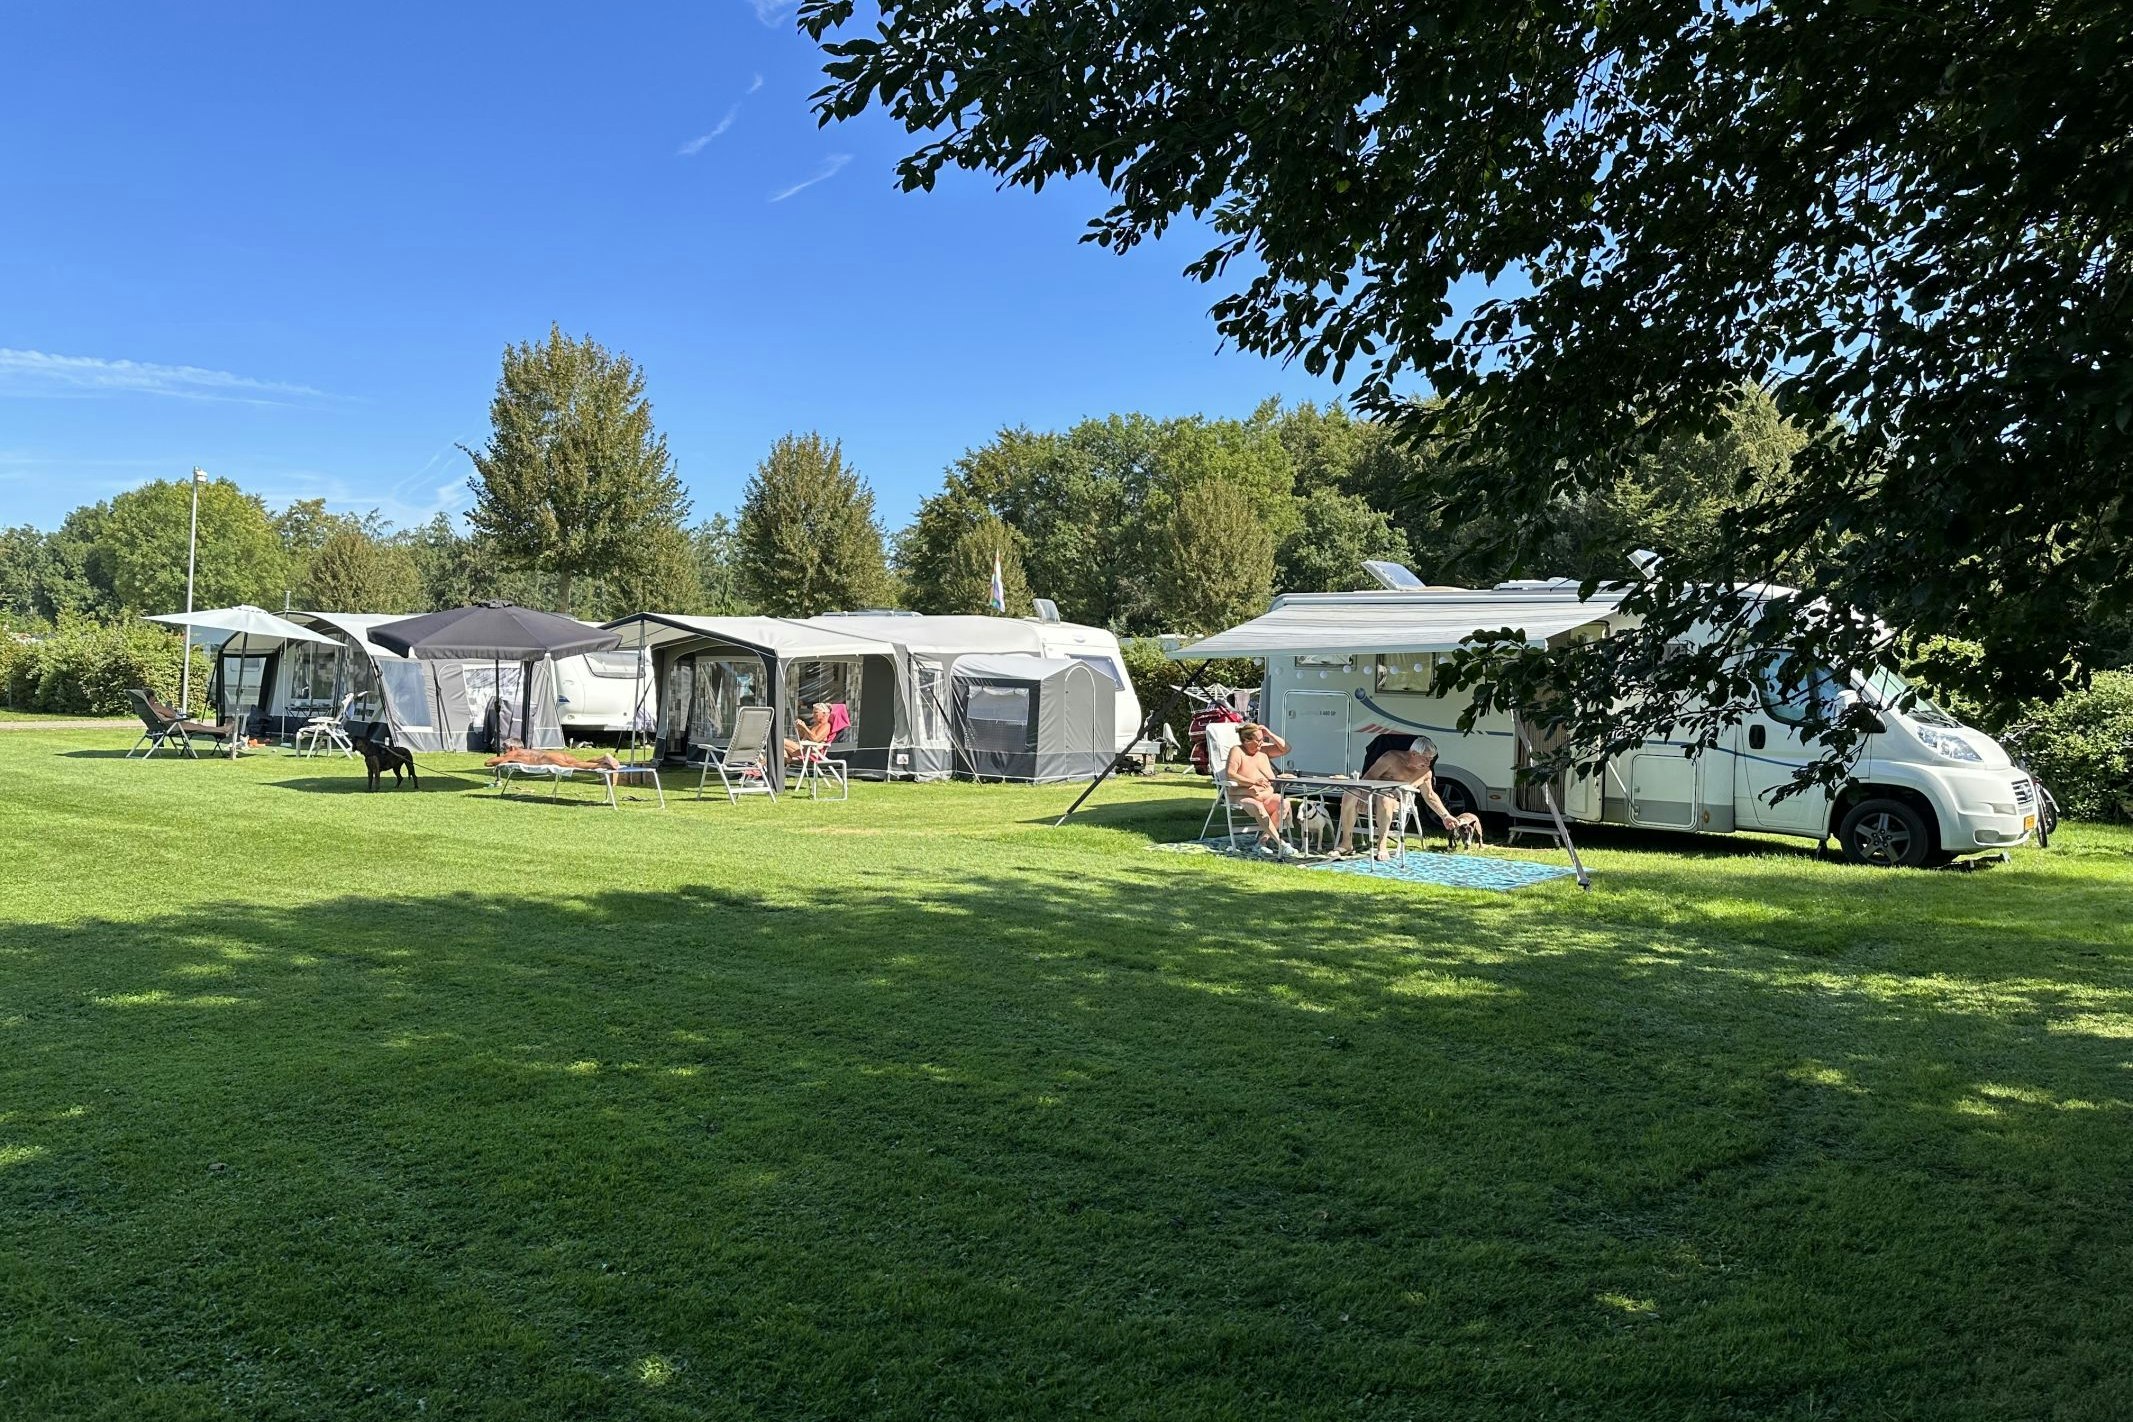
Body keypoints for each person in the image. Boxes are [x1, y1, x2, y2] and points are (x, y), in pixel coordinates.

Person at [1332, 735, 1459, 860]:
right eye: (1425, 758)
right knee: (1350, 794)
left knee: (1385, 799)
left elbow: (1430, 795)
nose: (1428, 762)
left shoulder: (1425, 772)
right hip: (1373, 792)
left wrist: (1445, 815)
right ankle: (1346, 843)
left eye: (1430, 759)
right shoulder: (1391, 758)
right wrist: (1364, 795)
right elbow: (1370, 775)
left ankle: (1382, 845)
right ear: (1413, 753)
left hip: (1396, 800)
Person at [1224, 723, 1298, 858]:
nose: (1261, 743)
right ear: (1246, 740)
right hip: (1243, 794)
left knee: (1284, 803)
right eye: (1258, 740)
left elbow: (1286, 748)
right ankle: (1281, 843)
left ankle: (1262, 841)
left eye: (1262, 739)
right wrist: (1253, 782)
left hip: (1266, 794)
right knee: (1257, 806)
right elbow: (1231, 774)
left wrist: (1269, 733)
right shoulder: (1237, 751)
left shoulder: (1263, 750)